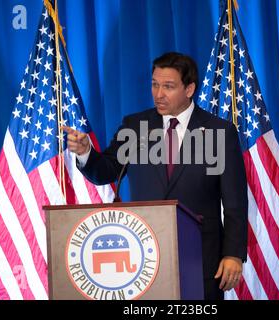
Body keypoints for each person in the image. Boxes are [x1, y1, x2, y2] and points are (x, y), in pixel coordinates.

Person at [63, 52, 248, 300]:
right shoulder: (135, 126)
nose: (158, 94)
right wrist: (86, 152)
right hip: (144, 260)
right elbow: (106, 170)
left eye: (168, 86)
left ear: (189, 89)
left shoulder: (219, 132)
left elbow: (235, 201)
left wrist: (233, 254)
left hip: (202, 259)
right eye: (155, 84)